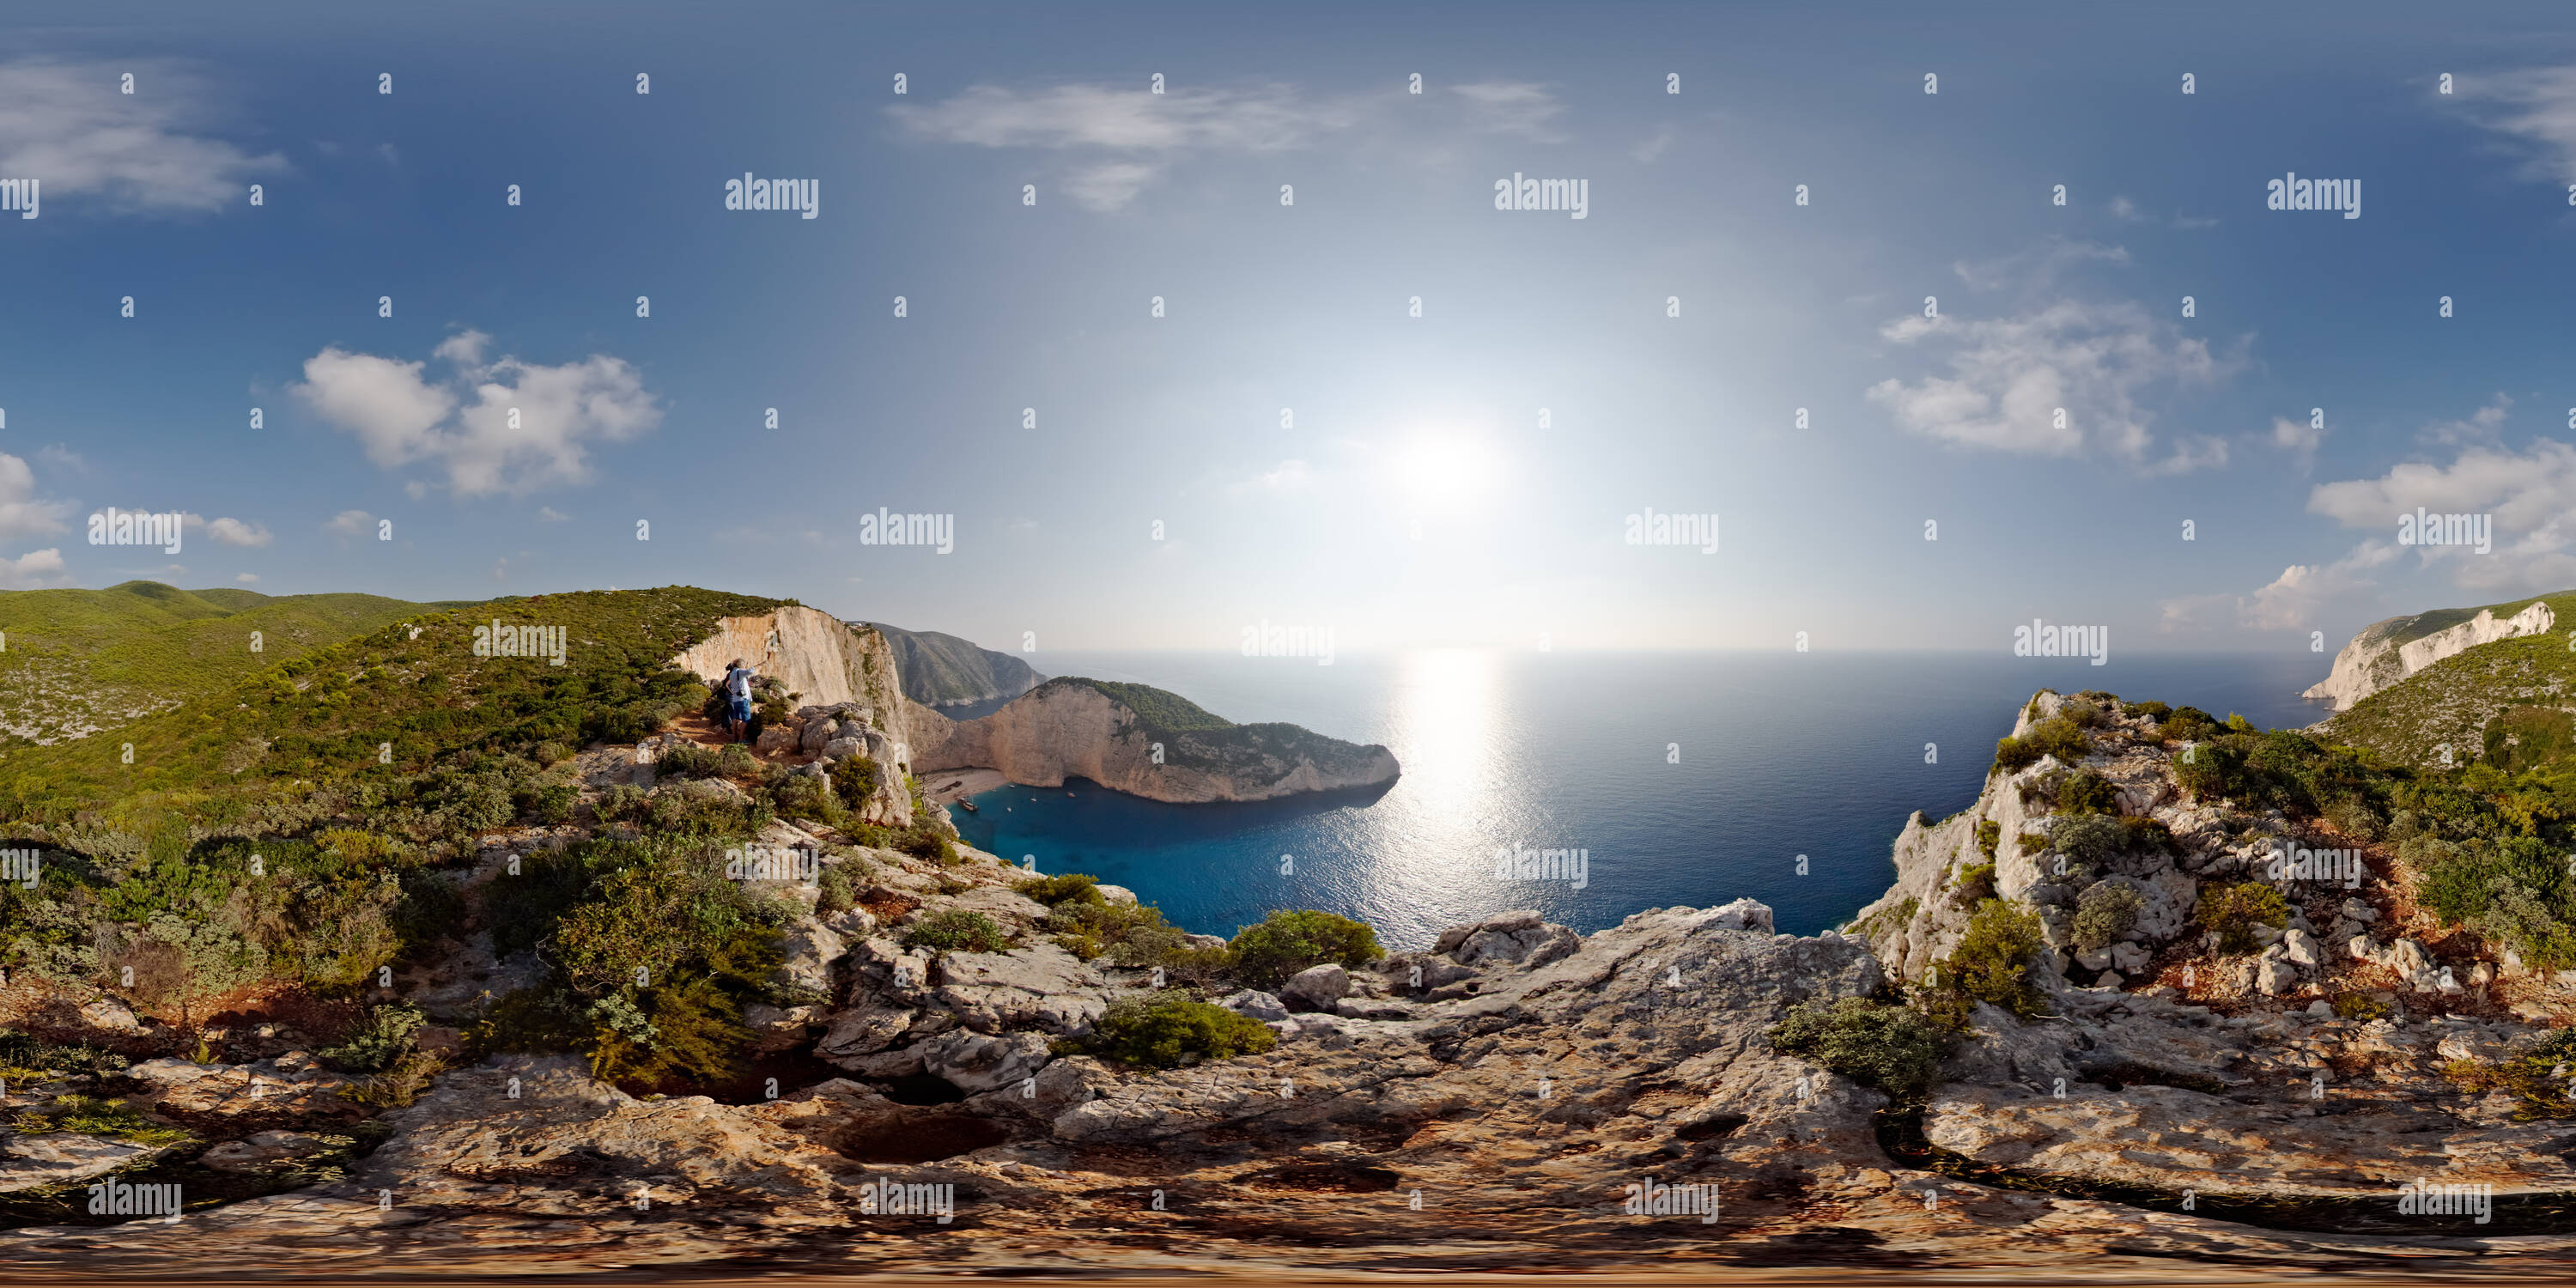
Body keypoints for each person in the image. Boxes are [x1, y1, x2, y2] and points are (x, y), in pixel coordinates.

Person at [720, 657, 757, 742]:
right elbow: (750, 671)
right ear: (742, 665)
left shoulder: (733, 673)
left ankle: (734, 738)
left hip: (735, 699)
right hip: (743, 699)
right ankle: (741, 739)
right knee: (746, 719)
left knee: (735, 718)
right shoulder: (739, 671)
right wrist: (755, 667)